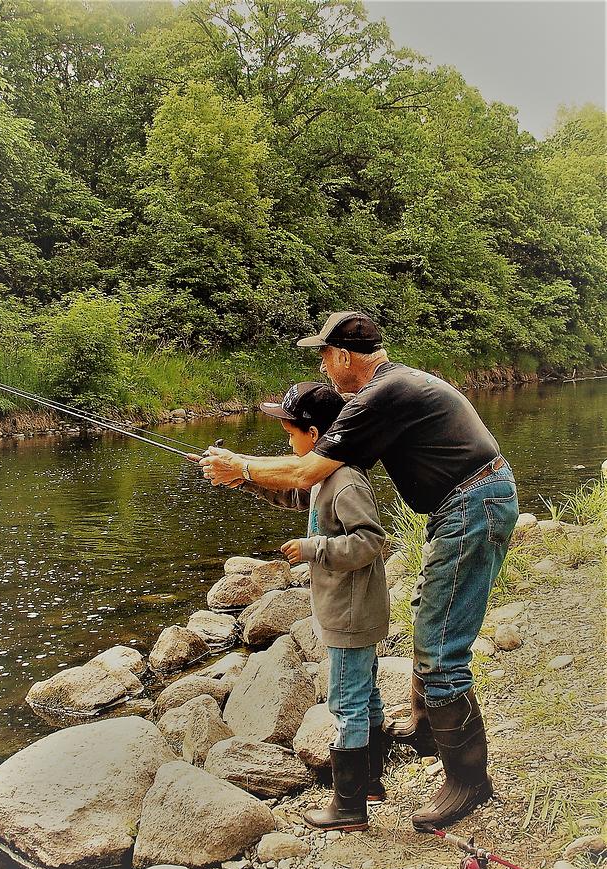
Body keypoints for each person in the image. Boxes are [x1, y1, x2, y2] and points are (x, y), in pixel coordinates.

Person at [198, 311, 519, 831]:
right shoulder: (383, 395)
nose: (323, 368)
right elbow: (317, 483)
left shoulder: (380, 396)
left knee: (440, 650)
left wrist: (244, 465)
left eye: (324, 356)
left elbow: (308, 470)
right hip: (463, 505)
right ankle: (426, 734)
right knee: (429, 627)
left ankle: (468, 782)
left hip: (472, 506)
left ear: (345, 356)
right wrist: (250, 481)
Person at [243, 381, 389, 831]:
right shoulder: (324, 476)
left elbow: (371, 541)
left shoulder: (344, 482)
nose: (286, 443)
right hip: (350, 609)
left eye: (289, 434)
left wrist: (313, 548)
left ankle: (349, 808)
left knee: (347, 703)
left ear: (312, 433)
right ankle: (370, 784)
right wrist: (244, 477)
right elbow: (294, 495)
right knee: (366, 695)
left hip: (350, 613)